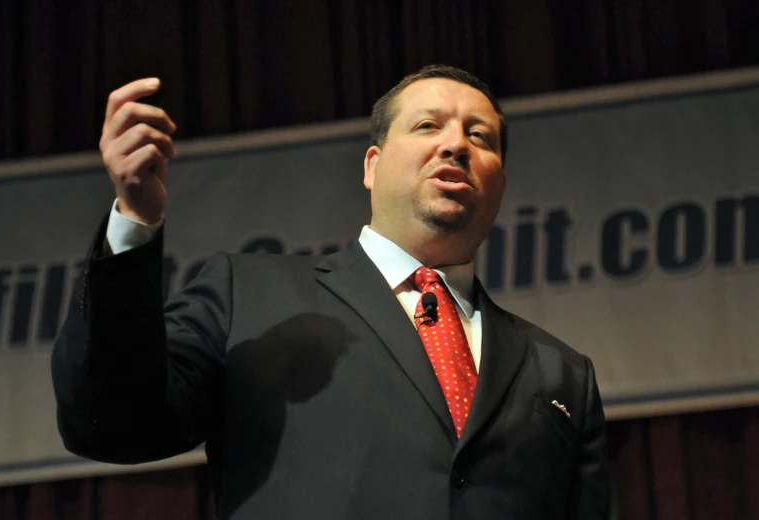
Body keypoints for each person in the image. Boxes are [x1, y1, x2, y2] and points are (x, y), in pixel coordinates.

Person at [52, 65, 611, 519]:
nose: (455, 146)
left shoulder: (562, 374)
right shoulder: (250, 298)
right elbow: (112, 421)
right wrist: (135, 220)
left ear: (500, 182)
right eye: (427, 127)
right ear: (371, 166)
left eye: (479, 135)